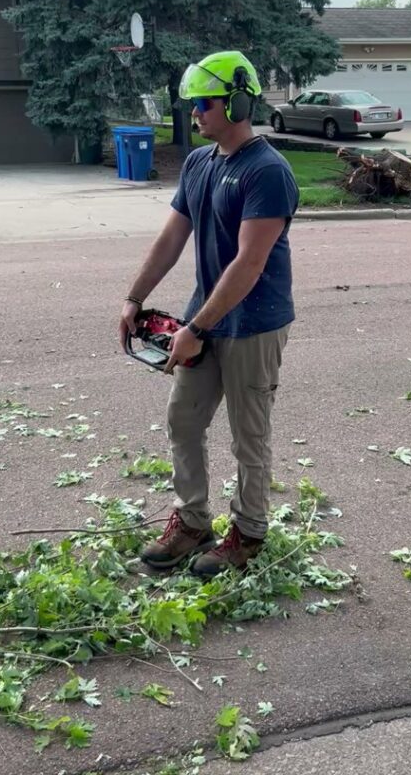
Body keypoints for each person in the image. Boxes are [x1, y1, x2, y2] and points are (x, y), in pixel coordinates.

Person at [119, 50, 299, 576]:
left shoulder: (267, 171)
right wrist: (134, 296)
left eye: (204, 103)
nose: (194, 113)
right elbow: (173, 236)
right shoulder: (200, 162)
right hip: (205, 317)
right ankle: (193, 522)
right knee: (183, 419)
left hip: (255, 323)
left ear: (238, 102)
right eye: (192, 104)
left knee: (249, 434)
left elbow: (250, 262)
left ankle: (248, 533)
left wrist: (197, 328)